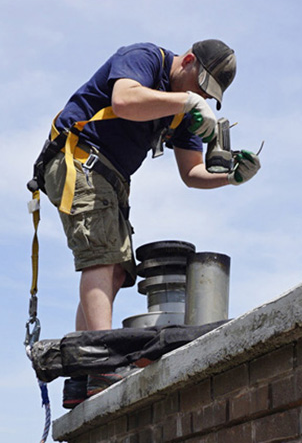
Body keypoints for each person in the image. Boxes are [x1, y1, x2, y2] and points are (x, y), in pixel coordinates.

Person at [31, 39, 260, 407]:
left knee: (116, 272)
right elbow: (124, 100)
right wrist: (187, 101)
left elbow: (192, 172)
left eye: (207, 95)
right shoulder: (144, 59)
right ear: (187, 62)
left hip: (111, 178)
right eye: (199, 87)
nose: (200, 97)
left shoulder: (183, 110)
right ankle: (103, 362)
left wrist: (230, 177)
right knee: (102, 260)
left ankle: (82, 374)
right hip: (81, 159)